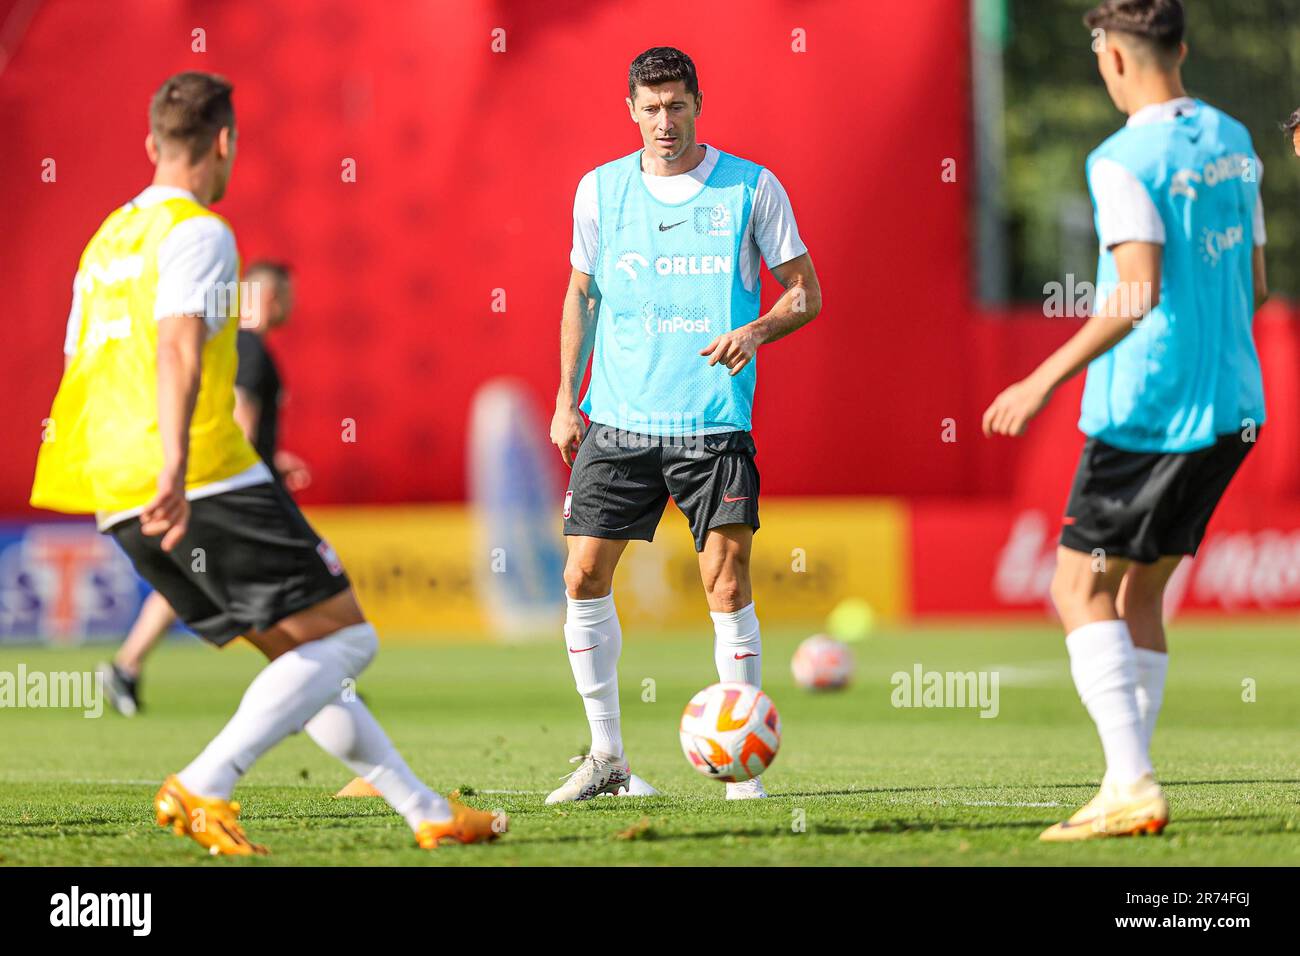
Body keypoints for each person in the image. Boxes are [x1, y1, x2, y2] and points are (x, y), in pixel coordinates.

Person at [31, 71, 503, 854]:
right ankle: (206, 783)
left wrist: (127, 476)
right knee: (349, 641)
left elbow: (79, 362)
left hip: (111, 483)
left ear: (151, 144)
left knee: (303, 656)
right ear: (224, 143)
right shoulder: (199, 232)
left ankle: (426, 812)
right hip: (197, 472)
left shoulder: (102, 244)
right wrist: (176, 467)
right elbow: (181, 345)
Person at [982, 0, 1268, 841]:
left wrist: (1040, 378)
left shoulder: (1120, 159)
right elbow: (1253, 284)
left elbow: (1135, 292)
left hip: (1149, 414)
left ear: (1112, 58)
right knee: (1141, 591)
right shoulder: (1235, 140)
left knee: (1077, 588)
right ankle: (1128, 781)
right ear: (1180, 47)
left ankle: (1132, 782)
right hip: (1233, 408)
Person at [546, 47, 821, 802]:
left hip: (711, 423)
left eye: (677, 105)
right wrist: (568, 397)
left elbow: (806, 294)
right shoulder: (600, 192)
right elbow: (583, 296)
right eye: (650, 107)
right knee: (581, 575)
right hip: (619, 420)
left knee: (726, 589)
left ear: (699, 102)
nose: (664, 122)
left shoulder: (751, 188)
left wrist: (757, 331)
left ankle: (742, 773)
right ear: (629, 110)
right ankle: (608, 759)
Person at [97, 259, 311, 716]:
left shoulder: (231, 345)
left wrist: (274, 460)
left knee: (193, 581)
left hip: (210, 484)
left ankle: (126, 665)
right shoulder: (251, 349)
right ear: (270, 298)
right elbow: (240, 422)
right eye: (288, 295)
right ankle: (316, 682)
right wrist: (255, 480)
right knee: (287, 586)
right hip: (233, 492)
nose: (292, 305)